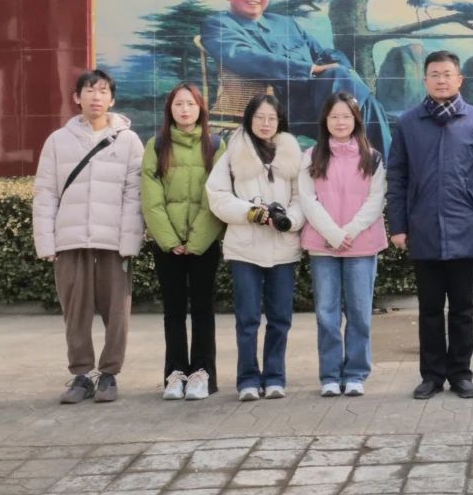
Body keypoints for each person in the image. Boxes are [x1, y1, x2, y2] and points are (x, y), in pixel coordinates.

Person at [386, 51, 473, 400]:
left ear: (459, 79)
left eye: (447, 74)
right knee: (430, 309)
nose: (441, 80)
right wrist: (398, 225)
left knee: (463, 308)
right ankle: (432, 376)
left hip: (465, 226)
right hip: (423, 228)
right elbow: (397, 176)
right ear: (425, 80)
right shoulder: (409, 123)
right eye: (434, 74)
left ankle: (461, 374)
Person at [32, 69, 144, 405]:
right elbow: (45, 193)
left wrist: (130, 242)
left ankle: (109, 373)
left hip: (113, 243)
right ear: (76, 97)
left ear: (113, 99)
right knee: (75, 312)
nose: (97, 97)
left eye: (103, 91)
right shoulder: (58, 140)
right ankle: (81, 374)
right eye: (90, 90)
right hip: (71, 241)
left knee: (117, 313)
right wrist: (46, 242)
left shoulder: (128, 141)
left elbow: (134, 195)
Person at [199, 0, 390, 154]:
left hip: (321, 98)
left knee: (364, 99)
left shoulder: (285, 23)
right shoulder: (219, 25)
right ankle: (356, 157)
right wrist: (309, 69)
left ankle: (379, 164)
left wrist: (346, 71)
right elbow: (242, 57)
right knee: (357, 96)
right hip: (279, 104)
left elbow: (322, 53)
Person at [206, 93, 306, 401]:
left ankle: (275, 376)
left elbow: (302, 198)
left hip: (282, 249)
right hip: (245, 249)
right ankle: (247, 379)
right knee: (247, 318)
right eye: (259, 117)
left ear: (280, 121)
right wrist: (250, 212)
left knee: (280, 318)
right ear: (249, 119)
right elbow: (217, 195)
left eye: (271, 118)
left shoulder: (292, 153)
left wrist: (289, 220)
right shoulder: (232, 153)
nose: (265, 123)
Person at [299, 93, 388, 398]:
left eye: (346, 116)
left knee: (360, 313)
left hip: (361, 244)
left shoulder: (372, 157)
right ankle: (330, 374)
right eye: (334, 116)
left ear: (356, 120)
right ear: (325, 120)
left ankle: (355, 374)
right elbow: (307, 199)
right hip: (323, 245)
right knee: (327, 313)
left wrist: (348, 231)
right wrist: (333, 233)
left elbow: (376, 200)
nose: (340, 122)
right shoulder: (311, 156)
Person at [141, 82, 225, 400]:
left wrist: (198, 240)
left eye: (190, 103)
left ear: (200, 108)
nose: (185, 109)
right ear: (170, 109)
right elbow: (151, 199)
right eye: (178, 104)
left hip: (203, 244)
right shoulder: (157, 145)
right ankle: (175, 373)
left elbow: (216, 194)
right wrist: (169, 239)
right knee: (173, 311)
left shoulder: (215, 145)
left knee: (203, 309)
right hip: (169, 246)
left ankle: (202, 373)